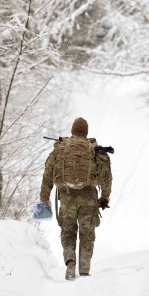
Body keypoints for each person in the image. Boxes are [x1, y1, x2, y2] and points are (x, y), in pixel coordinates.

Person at [39, 117, 112, 280]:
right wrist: (105, 197)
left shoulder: (60, 149)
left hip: (66, 197)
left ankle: (70, 263)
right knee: (87, 233)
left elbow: (47, 175)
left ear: (72, 131)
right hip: (88, 198)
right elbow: (106, 176)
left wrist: (44, 199)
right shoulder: (94, 149)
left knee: (68, 232)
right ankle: (84, 269)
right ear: (86, 132)